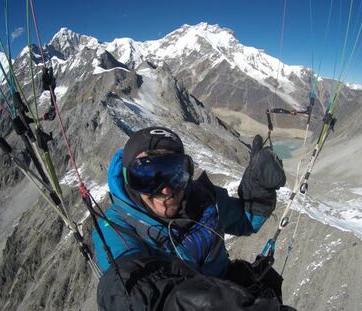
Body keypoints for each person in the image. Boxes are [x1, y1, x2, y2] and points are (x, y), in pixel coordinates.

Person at [92, 126, 294, 310]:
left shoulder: (204, 200)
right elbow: (129, 287)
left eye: (174, 174)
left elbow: (245, 220)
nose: (165, 189)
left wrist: (259, 188)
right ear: (129, 181)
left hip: (228, 294)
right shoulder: (114, 227)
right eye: (147, 177)